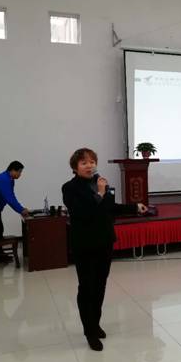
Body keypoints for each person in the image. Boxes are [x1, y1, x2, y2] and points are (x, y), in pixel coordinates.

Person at [62, 148, 147, 351]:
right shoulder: (70, 188)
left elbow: (110, 207)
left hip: (104, 242)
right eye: (84, 163)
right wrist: (100, 193)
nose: (89, 166)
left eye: (92, 162)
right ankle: (89, 331)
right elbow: (82, 212)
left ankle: (95, 323)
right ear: (75, 167)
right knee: (87, 288)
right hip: (84, 245)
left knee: (100, 285)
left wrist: (135, 207)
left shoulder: (100, 182)